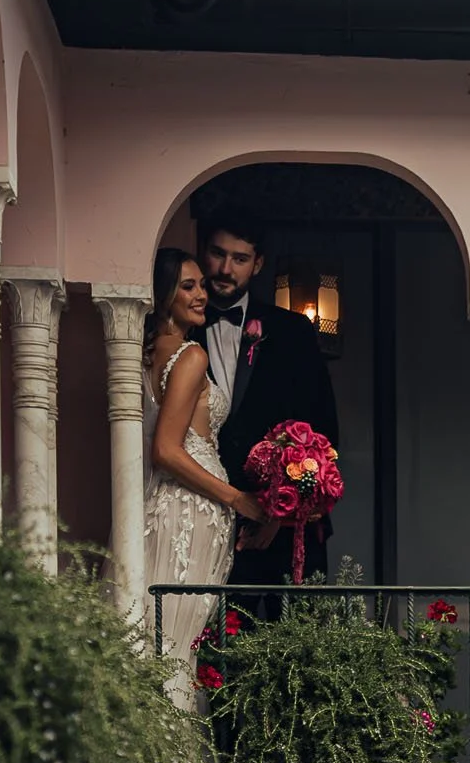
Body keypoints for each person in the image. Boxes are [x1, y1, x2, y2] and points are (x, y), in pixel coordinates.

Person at [141, 246, 267, 705]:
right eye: (187, 286)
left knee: (160, 641)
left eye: (200, 284)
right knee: (173, 649)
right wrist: (236, 498)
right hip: (190, 511)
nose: (201, 295)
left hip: (165, 507)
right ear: (163, 295)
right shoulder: (191, 355)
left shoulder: (147, 352)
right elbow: (166, 450)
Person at [199, 211, 341, 587]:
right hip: (204, 514)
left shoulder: (293, 331)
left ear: (257, 264)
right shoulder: (180, 330)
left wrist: (280, 513)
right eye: (217, 254)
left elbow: (321, 429)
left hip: (286, 526)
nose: (226, 268)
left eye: (240, 259)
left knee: (295, 634)